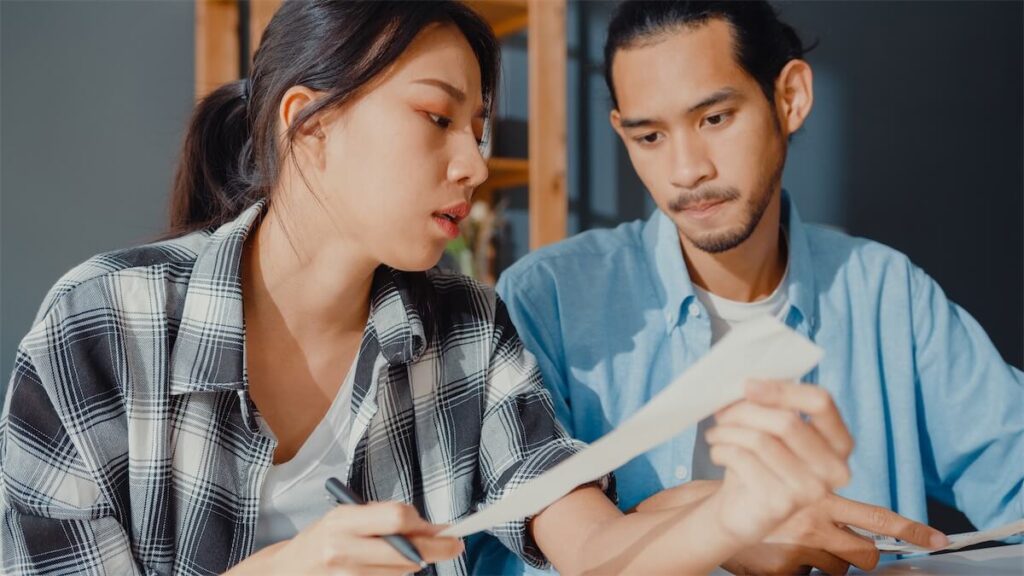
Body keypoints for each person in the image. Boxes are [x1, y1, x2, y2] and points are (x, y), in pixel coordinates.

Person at [0, 2, 858, 575]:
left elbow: (593, 547)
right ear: (310, 125)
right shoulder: (101, 328)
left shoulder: (470, 331)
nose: (476, 163)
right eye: (438, 117)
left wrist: (735, 515)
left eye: (480, 129)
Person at [481, 1, 1023, 574]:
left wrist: (664, 515)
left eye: (714, 119)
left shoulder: (887, 294)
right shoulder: (550, 299)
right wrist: (702, 527)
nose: (686, 170)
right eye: (650, 136)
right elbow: (507, 551)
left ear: (789, 98)